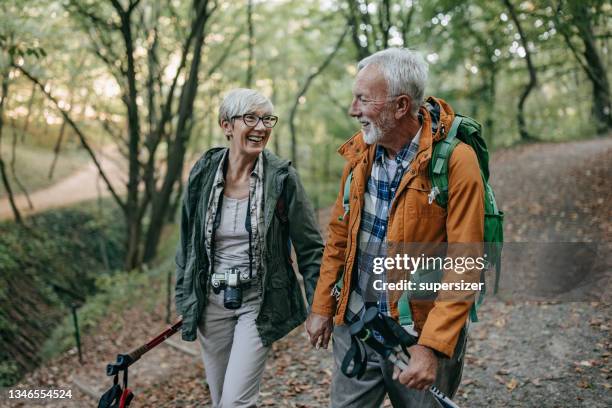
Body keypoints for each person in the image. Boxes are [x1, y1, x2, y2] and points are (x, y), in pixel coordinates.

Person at [305, 48, 484, 407]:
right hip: (357, 324)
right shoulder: (360, 154)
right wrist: (323, 305)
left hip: (417, 337)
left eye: (363, 100)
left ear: (401, 106)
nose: (353, 110)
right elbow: (340, 236)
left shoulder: (456, 162)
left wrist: (432, 347)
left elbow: (465, 264)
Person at [175, 88, 324, 407]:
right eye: (251, 118)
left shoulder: (282, 178)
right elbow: (187, 242)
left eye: (267, 119)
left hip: (259, 301)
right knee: (221, 400)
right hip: (210, 303)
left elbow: (311, 248)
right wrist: (183, 296)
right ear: (226, 125)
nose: (261, 127)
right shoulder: (203, 172)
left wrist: (319, 307)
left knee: (235, 403)